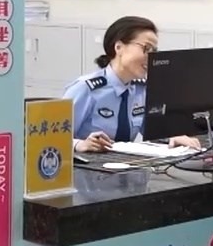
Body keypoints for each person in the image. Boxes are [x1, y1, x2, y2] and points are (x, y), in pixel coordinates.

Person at [61, 16, 201, 153]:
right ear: (119, 47)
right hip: (89, 166)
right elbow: (52, 137)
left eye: (154, 51)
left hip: (125, 164)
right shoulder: (86, 89)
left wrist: (173, 136)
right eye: (146, 48)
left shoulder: (141, 90)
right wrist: (79, 144)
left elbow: (153, 131)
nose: (151, 57)